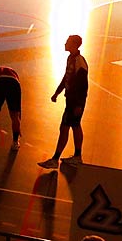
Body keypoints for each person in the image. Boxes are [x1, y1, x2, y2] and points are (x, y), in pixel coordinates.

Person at [39, 35, 89, 169]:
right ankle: (77, 156)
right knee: (75, 126)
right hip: (71, 100)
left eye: (67, 42)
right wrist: (57, 92)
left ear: (74, 45)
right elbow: (66, 77)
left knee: (65, 127)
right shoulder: (71, 59)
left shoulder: (79, 62)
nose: (65, 43)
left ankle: (56, 159)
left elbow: (83, 85)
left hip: (75, 101)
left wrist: (78, 104)